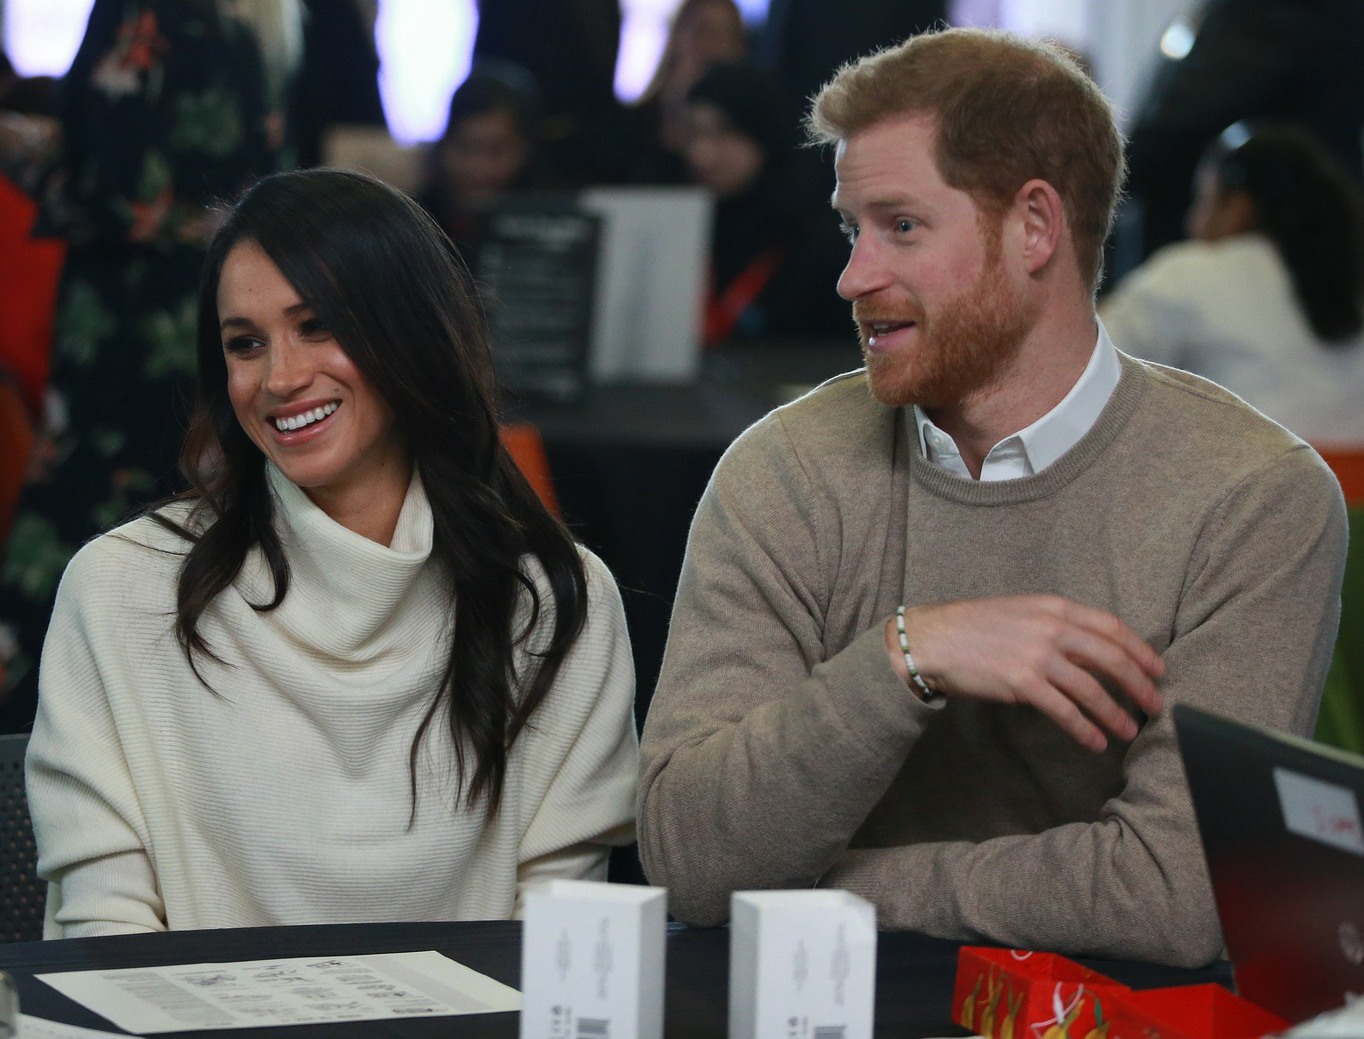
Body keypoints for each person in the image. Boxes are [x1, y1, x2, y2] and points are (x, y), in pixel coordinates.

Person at [636, 27, 1347, 968]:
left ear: (1035, 228)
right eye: (854, 228)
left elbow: (1175, 897)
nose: (853, 276)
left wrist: (826, 889)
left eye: (901, 226)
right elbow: (689, 860)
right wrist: (906, 655)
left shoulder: (1253, 497)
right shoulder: (784, 470)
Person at [25, 168, 638, 937]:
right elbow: (103, 940)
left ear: (410, 331)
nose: (280, 378)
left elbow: (563, 956)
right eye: (245, 344)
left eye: (317, 326)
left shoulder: (553, 601)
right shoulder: (121, 589)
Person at [0, 0, 287, 731]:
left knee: (70, 559)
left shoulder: (139, 14)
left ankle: (28, 781)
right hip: (206, 318)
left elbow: (117, 196)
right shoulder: (244, 32)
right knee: (178, 535)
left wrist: (19, 153)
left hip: (122, 333)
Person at [1101, 121, 1364, 447]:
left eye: (1202, 201)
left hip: (1254, 487)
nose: (1191, 222)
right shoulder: (1350, 282)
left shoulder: (1188, 276)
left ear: (1237, 208)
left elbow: (1091, 371)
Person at [1120, 0, 1364, 270]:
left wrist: (1108, 178)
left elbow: (1193, 108)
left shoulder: (1272, 10)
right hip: (1314, 239)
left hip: (1257, 250)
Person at [681, 60, 849, 343]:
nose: (701, 154)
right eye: (695, 133)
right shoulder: (684, 227)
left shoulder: (820, 244)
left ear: (763, 134)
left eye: (724, 132)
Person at [416, 61, 550, 270]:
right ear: (444, 145)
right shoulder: (415, 222)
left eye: (497, 150)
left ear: (526, 150)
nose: (479, 166)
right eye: (466, 148)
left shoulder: (556, 228)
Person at [625, 0, 749, 185]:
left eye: (725, 37)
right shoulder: (637, 121)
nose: (711, 47)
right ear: (676, 38)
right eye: (702, 32)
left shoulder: (752, 127)